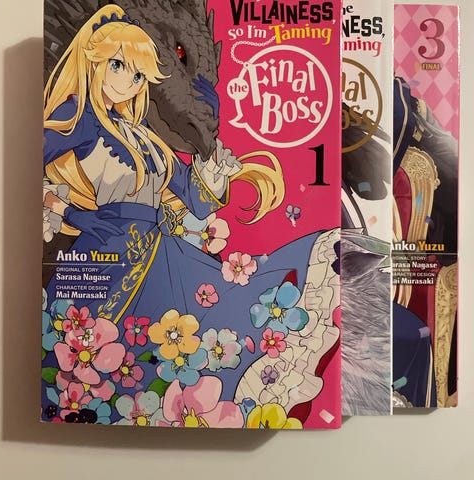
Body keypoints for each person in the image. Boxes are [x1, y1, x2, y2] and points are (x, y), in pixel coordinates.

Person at [42, 4, 340, 425]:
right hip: (106, 261)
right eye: (118, 66)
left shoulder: (142, 134)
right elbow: (27, 170)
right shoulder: (79, 117)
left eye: (138, 74)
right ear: (94, 61)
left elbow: (194, 198)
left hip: (164, 255)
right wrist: (73, 214)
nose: (128, 81)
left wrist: (217, 170)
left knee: (209, 337)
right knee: (102, 364)